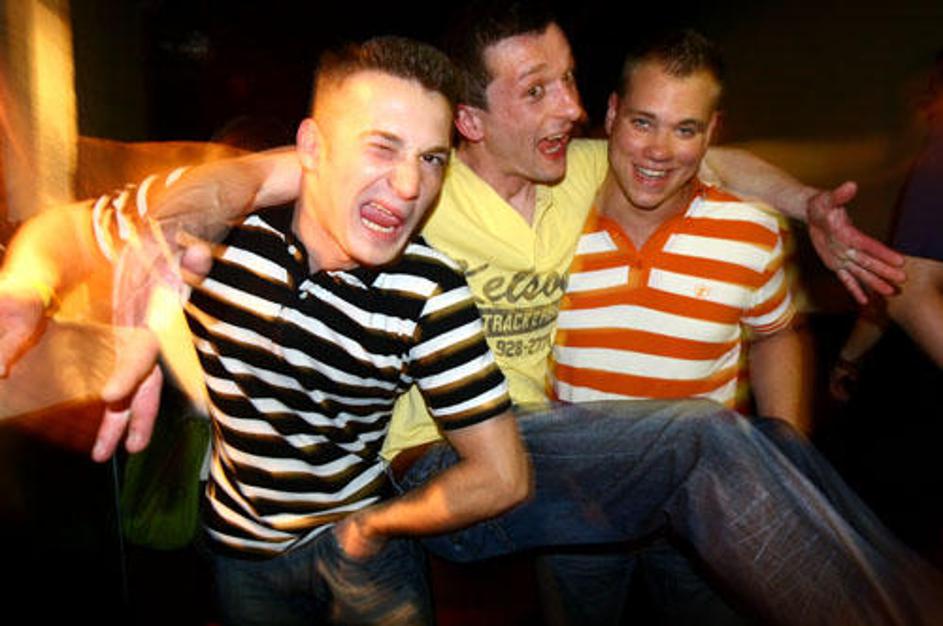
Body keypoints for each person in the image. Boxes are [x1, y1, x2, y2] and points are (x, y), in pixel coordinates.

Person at [1, 8, 940, 626]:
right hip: (386, 480)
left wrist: (806, 204)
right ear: (472, 121)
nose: (573, 108)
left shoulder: (559, 182)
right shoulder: (381, 200)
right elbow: (250, 182)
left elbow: (695, 155)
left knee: (717, 452)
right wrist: (34, 286)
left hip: (494, 475)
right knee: (702, 443)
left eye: (570, 81)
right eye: (539, 90)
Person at [543, 29, 808, 625]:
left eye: (685, 129)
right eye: (644, 122)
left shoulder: (752, 230)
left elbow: (774, 332)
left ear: (712, 132)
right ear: (613, 114)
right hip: (576, 509)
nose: (659, 151)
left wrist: (785, 453)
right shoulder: (550, 224)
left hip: (703, 510)